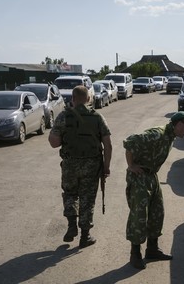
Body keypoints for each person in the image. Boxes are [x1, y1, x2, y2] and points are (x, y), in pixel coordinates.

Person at [124, 111, 184, 269]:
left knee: (157, 212)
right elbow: (130, 143)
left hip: (151, 176)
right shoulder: (158, 134)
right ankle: (135, 255)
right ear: (178, 124)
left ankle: (152, 250)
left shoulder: (170, 136)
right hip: (140, 178)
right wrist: (131, 165)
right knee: (139, 215)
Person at [48, 85, 112, 249]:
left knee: (70, 194)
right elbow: (108, 145)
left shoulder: (63, 116)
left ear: (73, 99)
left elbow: (54, 143)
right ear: (89, 99)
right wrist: (106, 167)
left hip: (70, 165)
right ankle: (85, 236)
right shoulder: (97, 117)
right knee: (87, 199)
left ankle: (71, 225)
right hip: (92, 165)